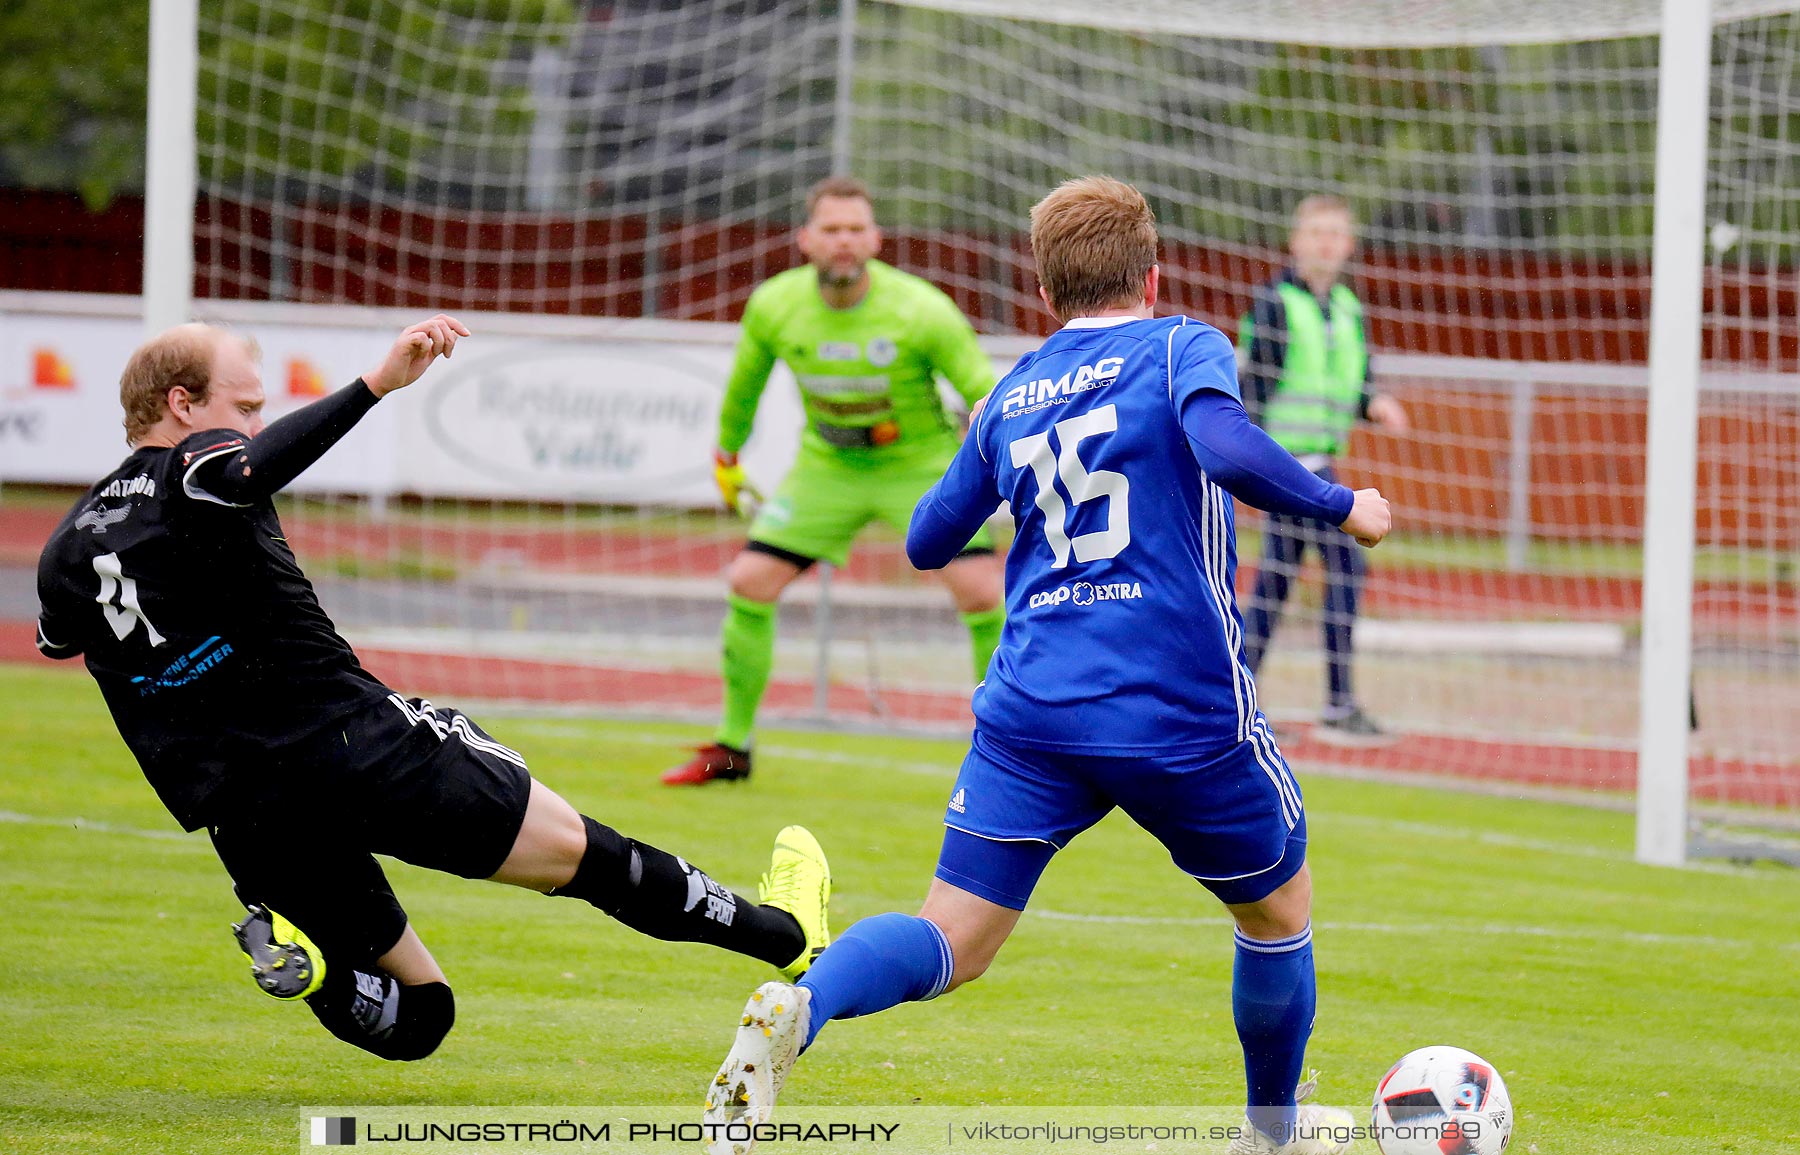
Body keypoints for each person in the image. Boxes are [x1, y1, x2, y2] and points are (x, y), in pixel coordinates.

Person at [699, 177, 1392, 1155]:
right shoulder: (1183, 342)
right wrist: (1339, 502)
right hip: (1173, 708)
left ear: (1045, 291)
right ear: (1153, 273)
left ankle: (800, 1010)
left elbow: (930, 540)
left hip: (1033, 712)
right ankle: (1272, 1134)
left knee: (954, 938)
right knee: (1278, 909)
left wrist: (988, 429)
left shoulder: (1015, 388)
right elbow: (1225, 446)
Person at [34, 316, 830, 1062]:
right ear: (181, 405)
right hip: (355, 746)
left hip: (244, 813)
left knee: (421, 1016)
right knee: (593, 858)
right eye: (244, 406)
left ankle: (314, 972)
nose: (251, 420)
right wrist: (376, 385)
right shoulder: (193, 469)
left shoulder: (65, 548)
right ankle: (787, 933)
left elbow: (57, 639)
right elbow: (240, 470)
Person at [663, 176, 1004, 786]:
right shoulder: (774, 304)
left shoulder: (922, 310)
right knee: (749, 580)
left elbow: (984, 389)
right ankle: (733, 748)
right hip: (827, 467)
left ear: (874, 239)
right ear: (805, 240)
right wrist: (728, 458)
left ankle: (1002, 748)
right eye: (830, 229)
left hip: (919, 467)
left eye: (854, 229)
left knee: (984, 592)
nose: (843, 241)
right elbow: (745, 386)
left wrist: (989, 447)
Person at [1237, 194, 1409, 740]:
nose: (1326, 244)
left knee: (1276, 584)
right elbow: (1252, 390)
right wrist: (1248, 462)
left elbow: (1353, 381)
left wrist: (1372, 402)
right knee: (1347, 564)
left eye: (1336, 234)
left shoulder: (1347, 308)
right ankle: (1337, 706)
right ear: (1295, 241)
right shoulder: (1273, 304)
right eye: (1317, 233)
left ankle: (1235, 697)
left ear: (1349, 246)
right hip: (1285, 465)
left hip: (1318, 461)